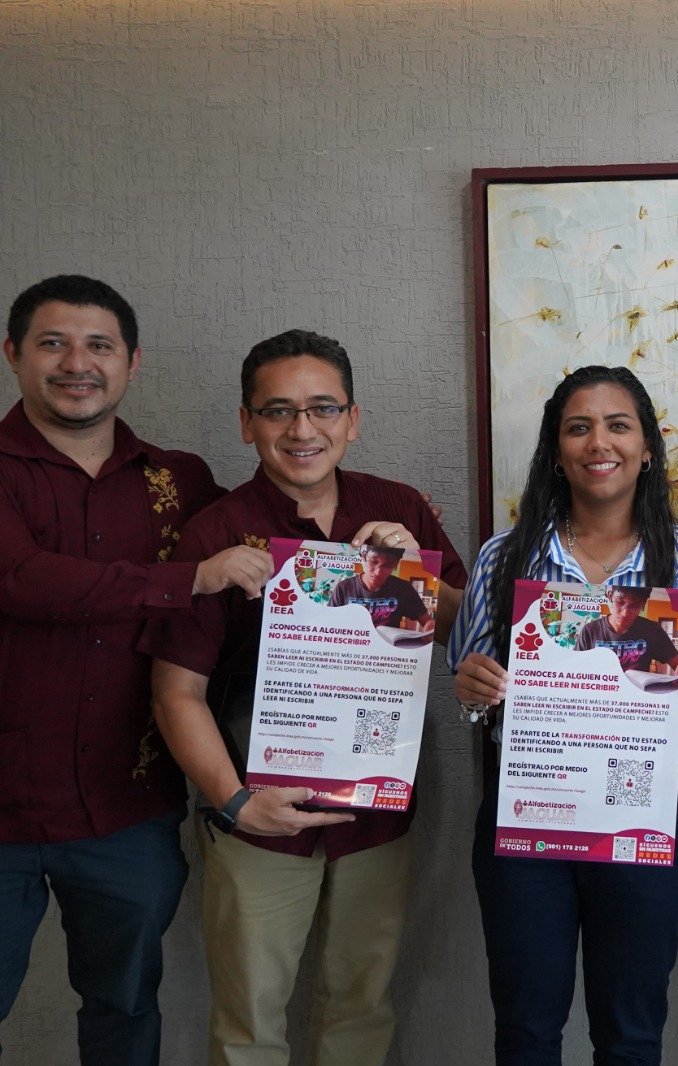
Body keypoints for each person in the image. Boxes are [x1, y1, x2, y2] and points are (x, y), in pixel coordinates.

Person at [140, 329, 466, 1066]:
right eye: (278, 410)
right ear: (246, 423)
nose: (302, 429)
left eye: (323, 408)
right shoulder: (216, 531)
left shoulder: (397, 507)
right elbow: (176, 694)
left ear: (353, 419)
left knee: (361, 1010)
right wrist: (234, 801)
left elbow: (466, 632)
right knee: (249, 1024)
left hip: (375, 812)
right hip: (259, 816)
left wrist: (414, 574)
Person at [0, 275, 273, 1064]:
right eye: (53, 344)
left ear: (132, 362)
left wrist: (375, 555)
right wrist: (188, 577)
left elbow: (256, 563)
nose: (76, 363)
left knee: (124, 1010)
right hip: (4, 807)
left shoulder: (178, 481)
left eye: (99, 345)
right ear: (14, 354)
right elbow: (22, 580)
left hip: (129, 809)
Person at [450, 365, 678, 1065]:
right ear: (556, 451)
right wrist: (472, 688)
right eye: (578, 428)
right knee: (526, 1031)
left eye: (618, 426)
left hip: (641, 812)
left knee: (631, 1034)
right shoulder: (505, 559)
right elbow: (472, 688)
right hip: (528, 815)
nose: (599, 443)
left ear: (646, 447)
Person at [574, 585, 678, 676]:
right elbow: (574, 668)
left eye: (635, 606)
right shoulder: (590, 631)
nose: (625, 613)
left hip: (637, 694)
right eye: (620, 602)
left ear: (643, 604)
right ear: (610, 596)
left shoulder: (653, 631)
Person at [328, 543, 434, 631]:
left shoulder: (404, 589)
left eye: (387, 565)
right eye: (373, 562)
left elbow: (427, 621)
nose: (378, 572)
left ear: (396, 564)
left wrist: (430, 628)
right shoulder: (343, 588)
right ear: (363, 557)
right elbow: (328, 623)